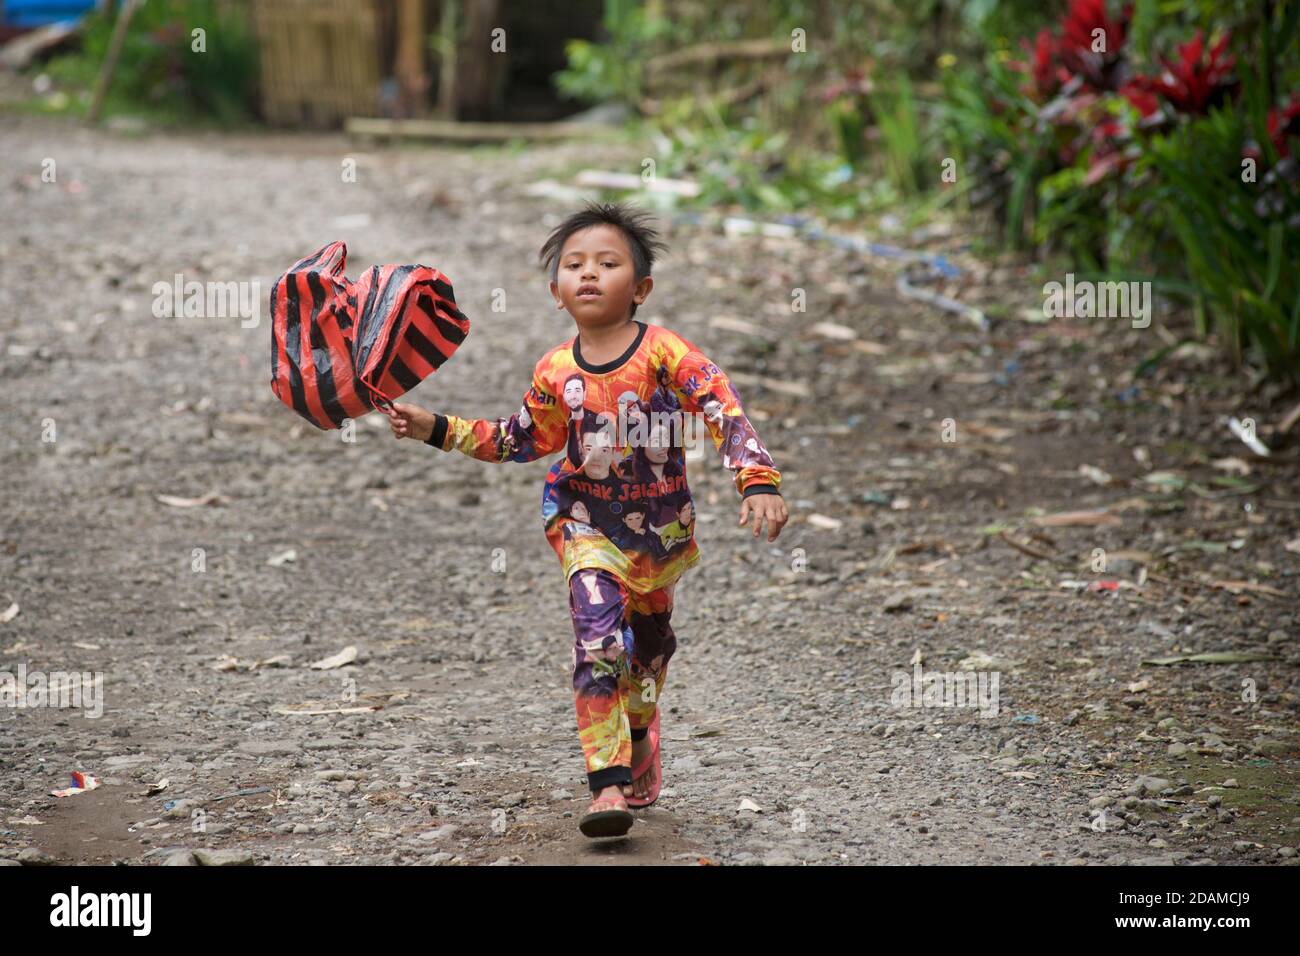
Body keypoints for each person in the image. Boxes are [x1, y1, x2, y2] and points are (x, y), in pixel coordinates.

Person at [382, 202, 787, 838]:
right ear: (557, 292)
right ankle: (607, 786)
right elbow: (518, 439)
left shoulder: (665, 354)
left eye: (608, 263)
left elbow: (721, 406)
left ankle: (639, 727)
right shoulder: (555, 371)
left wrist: (756, 479)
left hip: (660, 534)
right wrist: (438, 428)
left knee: (649, 653)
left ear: (641, 287)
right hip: (583, 523)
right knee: (598, 640)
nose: (589, 274)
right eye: (575, 265)